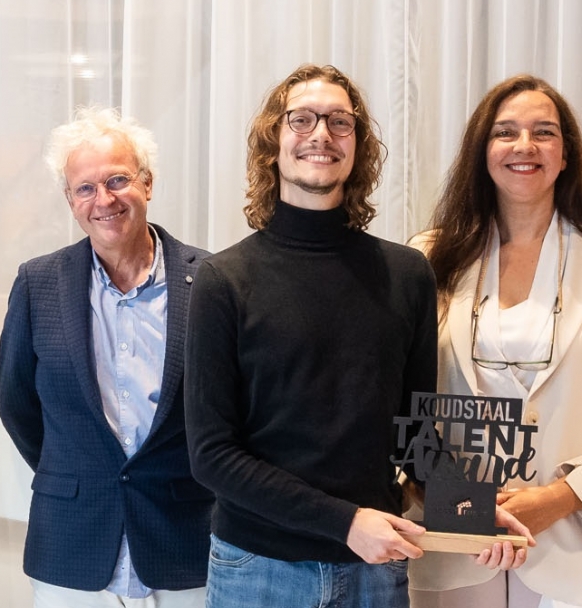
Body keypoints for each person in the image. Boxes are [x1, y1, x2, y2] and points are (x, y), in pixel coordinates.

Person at [183, 64, 529, 608]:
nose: (321, 134)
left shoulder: (407, 273)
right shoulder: (223, 280)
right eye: (301, 119)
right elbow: (212, 455)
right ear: (273, 143)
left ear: (358, 146)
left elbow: (416, 439)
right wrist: (346, 523)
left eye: (339, 122)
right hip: (258, 569)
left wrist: (473, 511)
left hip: (375, 567)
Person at [407, 74, 582, 608]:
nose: (524, 146)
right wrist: (468, 505)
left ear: (566, 156)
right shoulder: (427, 257)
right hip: (455, 541)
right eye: (505, 132)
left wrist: (556, 501)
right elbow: (403, 404)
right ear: (481, 151)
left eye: (544, 132)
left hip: (576, 543)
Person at [0, 107, 213, 607]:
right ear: (70, 200)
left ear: (148, 183)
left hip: (184, 544)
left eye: (118, 180)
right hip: (71, 545)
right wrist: (76, 470)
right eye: (85, 188)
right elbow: (17, 405)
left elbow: (233, 411)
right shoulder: (37, 284)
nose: (104, 200)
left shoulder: (213, 281)